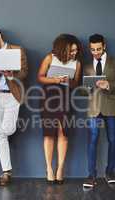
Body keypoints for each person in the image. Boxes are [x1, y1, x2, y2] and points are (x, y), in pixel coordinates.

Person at [0, 26, 28, 186]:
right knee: (0, 136)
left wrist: (11, 74)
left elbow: (24, 72)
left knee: (6, 131)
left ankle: (6, 170)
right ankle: (6, 172)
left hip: (12, 96)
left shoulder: (17, 50)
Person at [82, 34, 115, 188]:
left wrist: (108, 85)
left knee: (113, 140)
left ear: (104, 46)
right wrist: (87, 88)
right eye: (93, 50)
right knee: (92, 141)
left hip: (111, 107)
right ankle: (91, 175)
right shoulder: (87, 66)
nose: (96, 52)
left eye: (98, 49)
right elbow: (82, 90)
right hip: (93, 108)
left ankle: (109, 172)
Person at [37, 34, 82, 184]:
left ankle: (60, 168)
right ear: (63, 48)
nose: (74, 53)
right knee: (49, 134)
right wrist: (56, 80)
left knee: (63, 133)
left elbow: (77, 84)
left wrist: (69, 81)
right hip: (48, 99)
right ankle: (49, 168)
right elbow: (40, 77)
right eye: (72, 50)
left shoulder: (77, 63)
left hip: (66, 99)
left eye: (76, 50)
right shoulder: (50, 58)